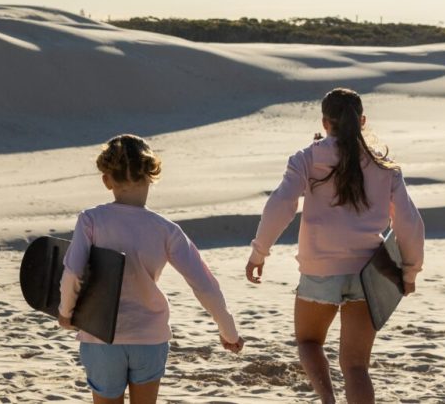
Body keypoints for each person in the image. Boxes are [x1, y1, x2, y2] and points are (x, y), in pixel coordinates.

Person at [247, 88, 426, 404]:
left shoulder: (307, 158)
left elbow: (281, 204)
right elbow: (409, 223)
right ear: (362, 121)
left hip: (319, 271)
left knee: (308, 341)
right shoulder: (385, 167)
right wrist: (409, 273)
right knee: (357, 366)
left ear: (325, 122)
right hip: (368, 275)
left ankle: (327, 400)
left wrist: (259, 252)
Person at [59, 134, 244, 404]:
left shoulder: (91, 220)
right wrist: (228, 331)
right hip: (149, 337)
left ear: (106, 180)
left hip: (101, 337)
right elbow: (203, 283)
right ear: (151, 176)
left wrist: (66, 312)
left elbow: (72, 272)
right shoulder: (166, 229)